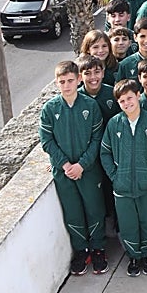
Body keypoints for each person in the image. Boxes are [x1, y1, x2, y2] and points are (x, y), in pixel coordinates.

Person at [40, 60, 107, 276]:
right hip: (64, 173)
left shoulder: (90, 106)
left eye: (70, 80)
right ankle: (81, 250)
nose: (66, 85)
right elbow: (47, 141)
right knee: (73, 212)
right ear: (56, 83)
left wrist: (82, 164)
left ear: (78, 80)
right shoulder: (50, 109)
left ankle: (98, 249)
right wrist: (66, 165)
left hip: (88, 170)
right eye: (62, 82)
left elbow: (97, 139)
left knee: (94, 209)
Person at [100, 79, 147, 277]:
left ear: (138, 95)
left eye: (129, 98)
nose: (127, 103)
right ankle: (133, 256)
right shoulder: (114, 124)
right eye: (122, 101)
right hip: (122, 185)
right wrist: (114, 175)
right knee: (128, 223)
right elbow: (105, 152)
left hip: (146, 184)